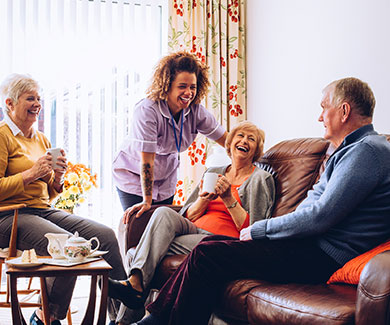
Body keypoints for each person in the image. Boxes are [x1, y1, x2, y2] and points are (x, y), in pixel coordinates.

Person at [134, 77, 390, 325]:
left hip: (323, 255)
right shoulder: (347, 151)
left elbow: (319, 216)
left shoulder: (367, 150)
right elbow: (310, 208)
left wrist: (260, 230)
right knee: (211, 245)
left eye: (324, 108)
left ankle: (154, 321)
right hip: (309, 246)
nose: (320, 117)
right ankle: (155, 319)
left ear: (344, 111)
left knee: (207, 254)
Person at [109, 121, 275, 323]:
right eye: (240, 136)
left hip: (221, 241)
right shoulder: (214, 171)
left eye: (251, 139)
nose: (244, 141)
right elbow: (186, 216)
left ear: (256, 150)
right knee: (162, 213)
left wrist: (228, 198)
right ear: (230, 143)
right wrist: (204, 199)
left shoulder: (261, 179)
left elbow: (254, 230)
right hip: (193, 229)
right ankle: (134, 288)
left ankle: (123, 316)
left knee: (139, 253)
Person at [0, 74, 127, 325]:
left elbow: (49, 192)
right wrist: (31, 173)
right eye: (30, 98)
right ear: (10, 104)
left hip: (41, 210)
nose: (37, 103)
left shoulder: (41, 138)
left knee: (106, 235)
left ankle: (123, 317)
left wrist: (57, 178)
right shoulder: (2, 136)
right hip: (9, 216)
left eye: (39, 98)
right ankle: (45, 317)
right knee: (68, 245)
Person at [112, 51, 227, 223]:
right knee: (139, 226)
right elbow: (147, 161)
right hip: (134, 174)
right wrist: (147, 200)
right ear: (167, 85)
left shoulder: (196, 111)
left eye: (192, 87)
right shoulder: (148, 110)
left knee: (161, 228)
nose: (188, 92)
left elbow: (228, 141)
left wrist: (252, 159)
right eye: (182, 86)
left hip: (165, 178)